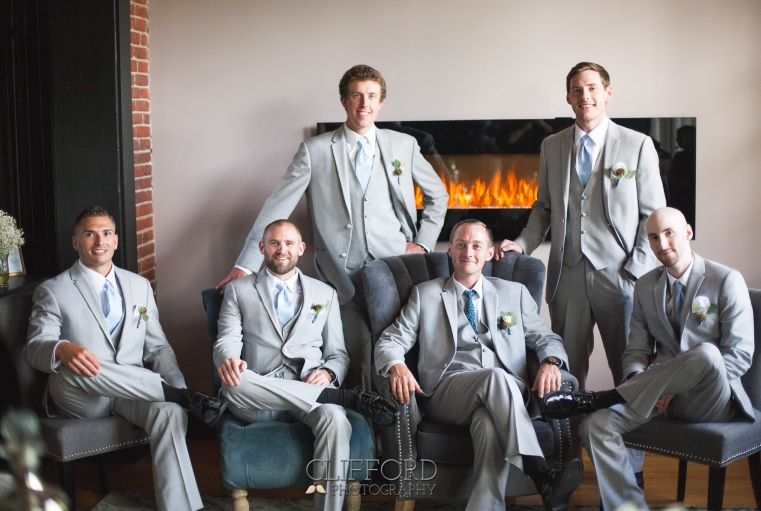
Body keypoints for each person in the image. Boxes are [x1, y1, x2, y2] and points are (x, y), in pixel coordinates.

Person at [217, 64, 448, 391]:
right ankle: (358, 419)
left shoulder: (403, 145)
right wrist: (245, 265)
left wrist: (423, 244)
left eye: (371, 96)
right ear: (343, 100)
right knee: (355, 358)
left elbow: (438, 195)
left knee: (397, 355)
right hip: (341, 276)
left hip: (395, 270)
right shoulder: (315, 151)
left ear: (381, 102)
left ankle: (397, 422)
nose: (364, 104)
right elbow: (276, 208)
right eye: (356, 95)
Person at [543, 207, 754, 511]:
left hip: (709, 397)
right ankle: (628, 505)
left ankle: (605, 397)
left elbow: (740, 355)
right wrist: (637, 378)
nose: (662, 244)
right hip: (654, 397)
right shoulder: (645, 286)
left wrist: (672, 386)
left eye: (669, 233)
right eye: (654, 237)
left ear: (688, 232)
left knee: (708, 353)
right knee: (594, 425)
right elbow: (636, 352)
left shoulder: (726, 280)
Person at [24, 206, 227, 511]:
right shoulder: (53, 290)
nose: (99, 241)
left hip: (130, 393)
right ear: (76, 242)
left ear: (116, 240)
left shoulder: (139, 286)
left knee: (170, 413)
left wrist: (176, 384)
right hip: (80, 396)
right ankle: (183, 398)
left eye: (106, 233)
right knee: (76, 365)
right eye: (89, 234)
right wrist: (61, 348)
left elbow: (157, 348)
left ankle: (182, 505)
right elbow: (34, 347)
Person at [374, 219, 582, 511]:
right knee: (495, 377)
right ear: (450, 249)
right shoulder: (426, 294)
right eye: (461, 244)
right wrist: (397, 366)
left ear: (489, 252)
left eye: (476, 245)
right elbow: (390, 341)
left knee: (487, 424)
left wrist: (551, 361)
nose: (467, 251)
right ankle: (539, 471)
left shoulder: (514, 293)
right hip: (447, 393)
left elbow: (545, 337)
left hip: (506, 394)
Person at [495, 62, 666, 391]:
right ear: (568, 98)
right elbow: (544, 207)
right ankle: (570, 429)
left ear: (608, 92)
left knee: (630, 371)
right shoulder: (552, 145)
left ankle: (627, 429)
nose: (584, 96)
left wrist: (636, 270)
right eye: (577, 90)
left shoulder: (637, 144)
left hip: (620, 275)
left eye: (592, 88)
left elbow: (654, 215)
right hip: (567, 277)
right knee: (565, 374)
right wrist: (523, 243)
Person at [214, 220, 397, 511]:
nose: (281, 249)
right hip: (258, 398)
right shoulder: (239, 290)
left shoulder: (324, 293)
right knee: (235, 383)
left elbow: (338, 354)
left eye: (288, 243)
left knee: (336, 418)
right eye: (274, 243)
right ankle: (340, 397)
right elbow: (227, 339)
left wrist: (328, 372)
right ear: (262, 248)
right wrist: (228, 359)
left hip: (309, 391)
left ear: (300, 248)